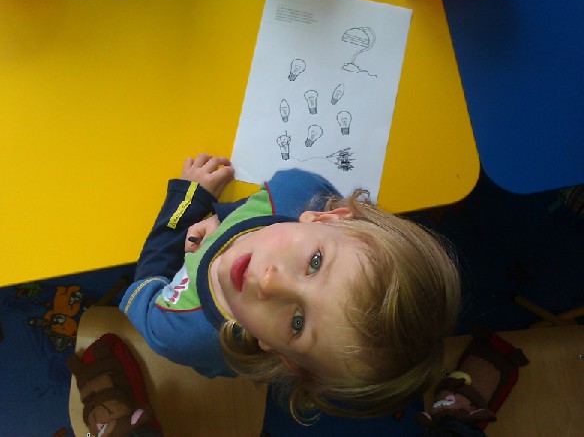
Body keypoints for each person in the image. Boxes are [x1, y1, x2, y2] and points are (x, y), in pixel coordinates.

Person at [120, 153, 461, 423]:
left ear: (278, 353)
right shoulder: (296, 191)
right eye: (315, 262)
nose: (269, 282)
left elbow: (145, 284)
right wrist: (218, 218)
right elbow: (248, 206)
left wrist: (191, 200)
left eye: (297, 323)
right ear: (327, 217)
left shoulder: (178, 331)